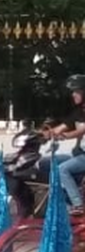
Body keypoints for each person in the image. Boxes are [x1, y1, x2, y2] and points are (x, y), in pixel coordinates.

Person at [40, 74, 85, 216]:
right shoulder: (78, 111)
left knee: (62, 169)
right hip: (79, 154)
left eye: (76, 91)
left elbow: (81, 130)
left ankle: (78, 204)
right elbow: (62, 127)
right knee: (46, 163)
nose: (73, 95)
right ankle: (62, 197)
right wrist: (42, 134)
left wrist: (66, 136)